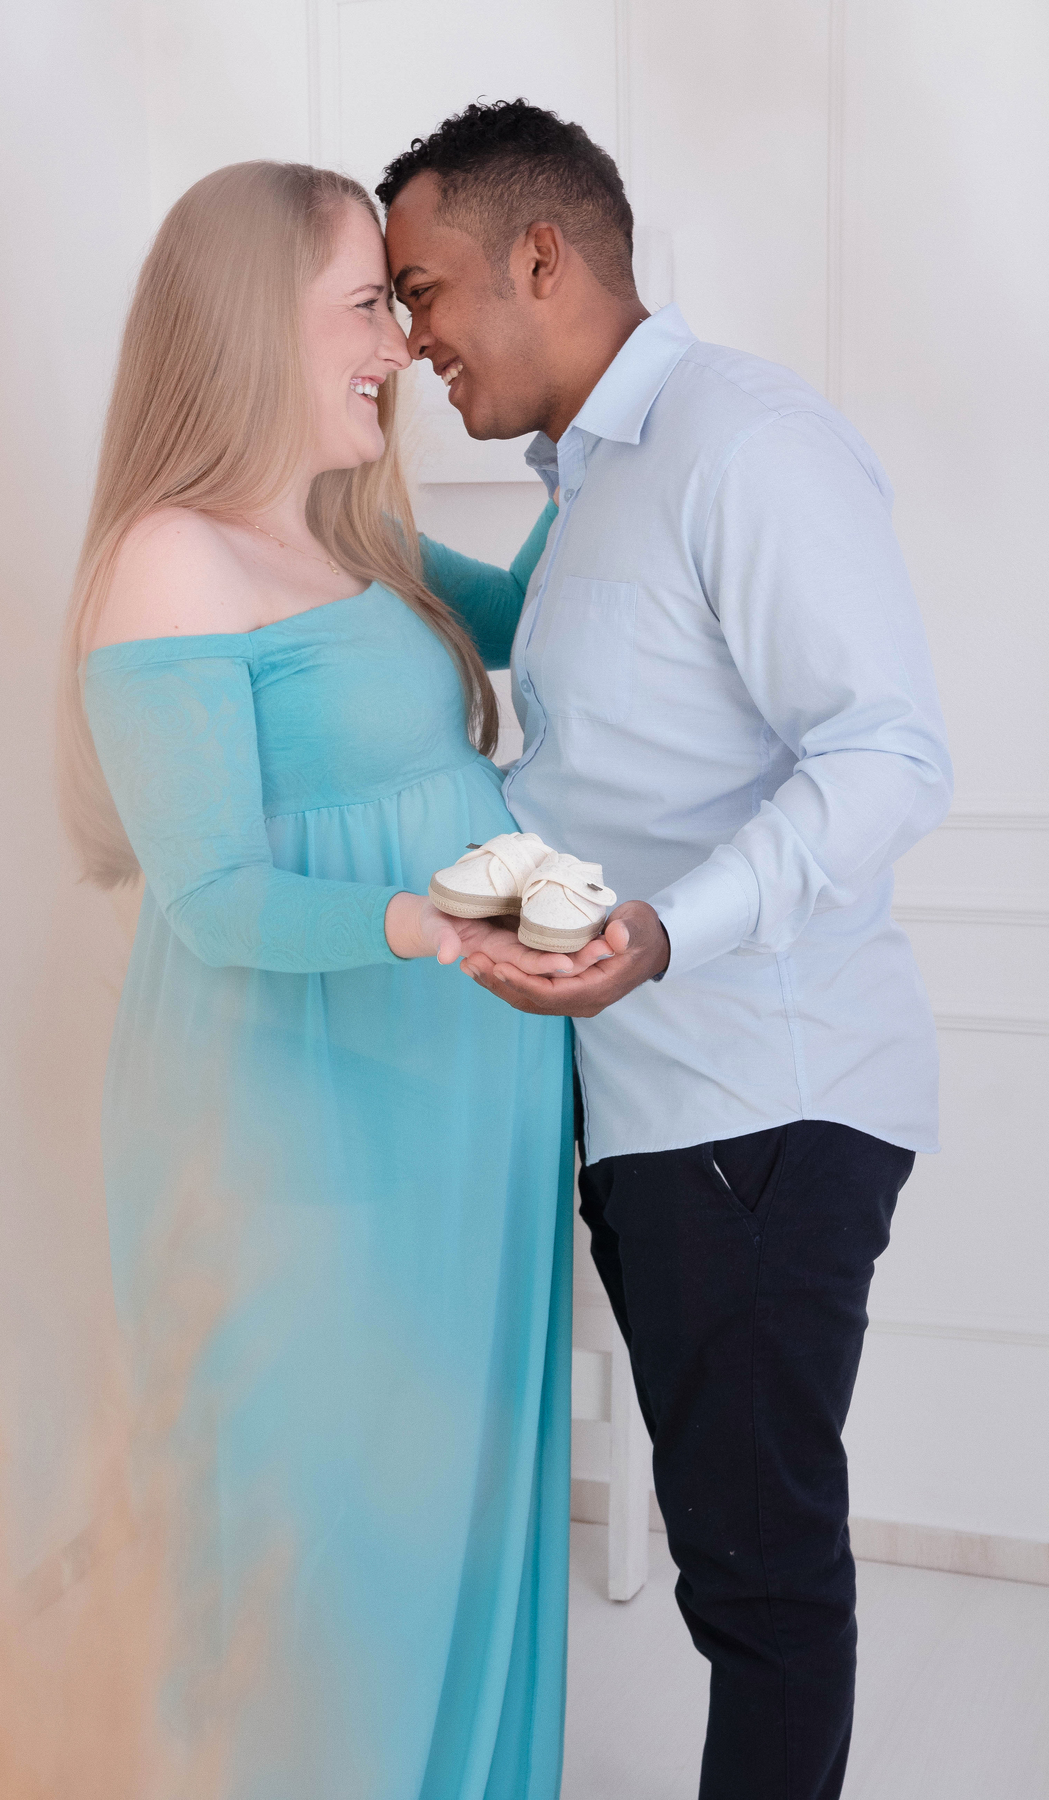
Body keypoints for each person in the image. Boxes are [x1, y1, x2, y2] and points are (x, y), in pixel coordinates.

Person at [379, 100, 953, 1800]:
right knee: (738, 1565)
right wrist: (325, 522)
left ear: (541, 257)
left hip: (758, 1104)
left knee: (761, 1586)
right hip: (662, 1111)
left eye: (423, 291)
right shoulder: (593, 487)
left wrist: (662, 932)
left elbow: (889, 755)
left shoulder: (740, 443)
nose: (411, 340)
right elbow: (573, 711)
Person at [59, 160, 581, 1798]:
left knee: (461, 1504)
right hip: (299, 1113)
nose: (399, 345)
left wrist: (590, 409)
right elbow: (211, 895)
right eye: (366, 304)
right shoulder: (172, 558)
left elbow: (549, 610)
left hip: (460, 1100)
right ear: (246, 324)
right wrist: (424, 927)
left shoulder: (359, 533)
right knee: (321, 1536)